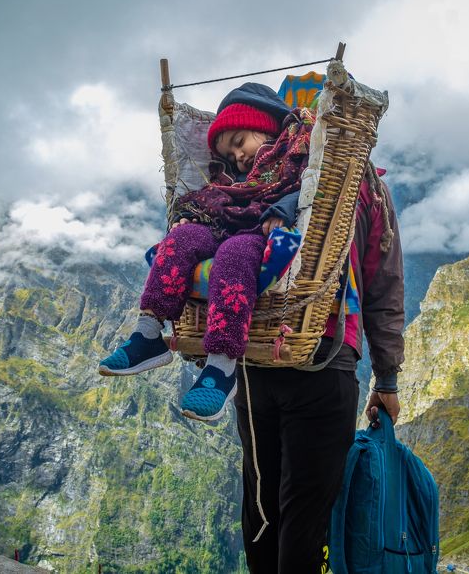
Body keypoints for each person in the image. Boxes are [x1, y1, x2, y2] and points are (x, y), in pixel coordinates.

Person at [97, 83, 311, 422]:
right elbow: (212, 200)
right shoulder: (231, 179)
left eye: (239, 143)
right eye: (229, 154)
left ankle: (221, 369)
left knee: (233, 255)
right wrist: (189, 216)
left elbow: (307, 189)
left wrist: (281, 211)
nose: (237, 157)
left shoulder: (296, 154)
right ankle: (148, 333)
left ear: (266, 124)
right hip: (225, 221)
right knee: (180, 240)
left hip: (259, 231)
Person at [235, 163, 405, 573]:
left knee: (261, 503)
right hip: (325, 359)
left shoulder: (256, 178)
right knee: (309, 513)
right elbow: (382, 284)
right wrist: (386, 378)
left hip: (256, 361)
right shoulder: (362, 185)